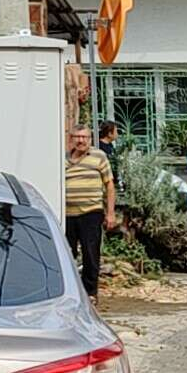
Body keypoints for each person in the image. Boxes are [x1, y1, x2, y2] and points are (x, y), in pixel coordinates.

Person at [63, 127, 116, 300]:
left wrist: (110, 213)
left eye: (84, 137)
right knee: (67, 253)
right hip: (67, 214)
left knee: (90, 252)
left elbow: (109, 185)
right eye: (77, 137)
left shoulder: (99, 156)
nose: (81, 140)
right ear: (71, 139)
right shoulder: (62, 158)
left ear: (90, 139)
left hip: (91, 212)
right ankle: (70, 291)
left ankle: (90, 292)